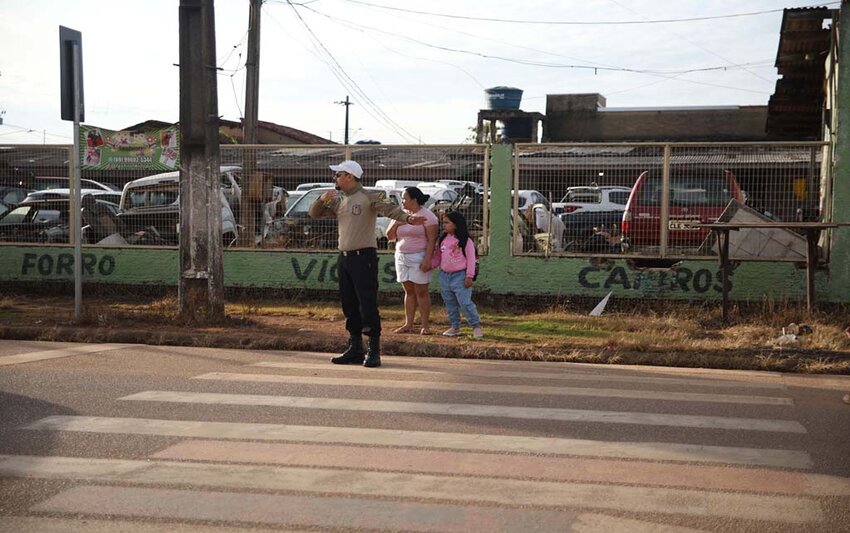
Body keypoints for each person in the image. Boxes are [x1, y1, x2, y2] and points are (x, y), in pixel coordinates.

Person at [308, 160, 426, 368]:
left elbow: (389, 209)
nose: (335, 178)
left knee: (367, 304)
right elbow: (314, 213)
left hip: (364, 257)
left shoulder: (367, 197)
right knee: (350, 304)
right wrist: (321, 198)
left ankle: (374, 350)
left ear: (350, 177)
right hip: (344, 257)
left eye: (338, 175)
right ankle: (355, 348)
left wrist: (408, 220)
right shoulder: (338, 200)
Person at [386, 187, 440, 335]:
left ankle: (425, 325)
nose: (402, 201)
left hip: (419, 256)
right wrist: (398, 223)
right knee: (408, 291)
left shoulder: (428, 216)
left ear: (414, 200)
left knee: (421, 291)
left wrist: (427, 259)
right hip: (401, 256)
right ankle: (408, 324)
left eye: (404, 198)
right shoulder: (400, 215)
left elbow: (431, 240)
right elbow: (389, 236)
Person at [432, 211, 483, 338]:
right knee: (450, 304)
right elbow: (438, 257)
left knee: (465, 302)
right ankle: (455, 326)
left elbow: (471, 259)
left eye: (447, 223)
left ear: (455, 224)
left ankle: (476, 326)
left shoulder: (465, 240)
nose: (444, 225)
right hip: (445, 276)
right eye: (443, 223)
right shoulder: (443, 239)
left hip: (460, 276)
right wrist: (430, 265)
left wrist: (469, 276)